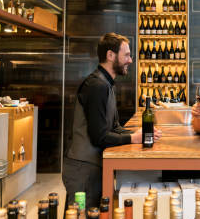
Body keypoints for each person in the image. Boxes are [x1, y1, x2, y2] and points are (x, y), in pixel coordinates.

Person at [63, 32, 161, 208]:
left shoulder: (105, 84)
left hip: (92, 166)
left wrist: (141, 134)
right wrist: (134, 138)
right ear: (110, 55)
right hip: (83, 170)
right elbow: (99, 137)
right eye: (127, 55)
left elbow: (114, 127)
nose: (130, 60)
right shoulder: (97, 86)